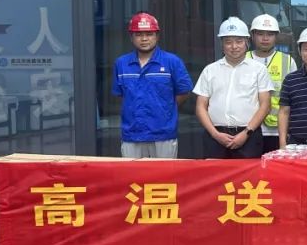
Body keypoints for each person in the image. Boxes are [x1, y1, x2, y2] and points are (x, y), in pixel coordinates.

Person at [111, 11, 192, 158]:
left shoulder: (172, 62)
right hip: (132, 134)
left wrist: (165, 108)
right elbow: (121, 95)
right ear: (131, 37)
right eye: (139, 35)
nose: (144, 39)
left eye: (149, 34)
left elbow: (184, 92)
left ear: (157, 36)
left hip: (163, 134)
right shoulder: (121, 64)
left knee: (164, 173)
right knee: (132, 172)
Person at [193, 17, 273, 159]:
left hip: (249, 136)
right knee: (214, 172)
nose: (234, 46)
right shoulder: (210, 70)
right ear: (222, 44)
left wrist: (246, 133)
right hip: (215, 136)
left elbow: (265, 105)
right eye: (228, 42)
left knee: (248, 174)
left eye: (239, 41)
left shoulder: (259, 70)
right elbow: (200, 106)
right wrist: (215, 134)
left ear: (247, 42)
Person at [246, 13, 297, 154]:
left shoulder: (288, 61)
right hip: (248, 129)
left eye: (270, 34)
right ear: (252, 35)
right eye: (260, 34)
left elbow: (294, 99)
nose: (265, 38)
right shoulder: (244, 59)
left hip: (277, 131)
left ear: (276, 36)